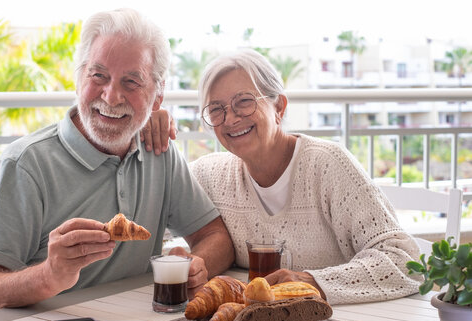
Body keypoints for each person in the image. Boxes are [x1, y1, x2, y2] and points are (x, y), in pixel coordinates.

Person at [0, 8, 234, 316]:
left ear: (157, 96)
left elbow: (215, 236)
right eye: (98, 76)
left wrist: (198, 265)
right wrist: (50, 274)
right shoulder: (25, 164)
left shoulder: (160, 151)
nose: (112, 96)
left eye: (131, 82)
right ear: (78, 80)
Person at [142, 49, 421, 305]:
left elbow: (404, 259)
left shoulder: (327, 165)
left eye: (244, 102)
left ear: (279, 107)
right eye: (217, 109)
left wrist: (311, 283)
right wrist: (144, 121)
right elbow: (144, 221)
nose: (230, 119)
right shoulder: (209, 175)